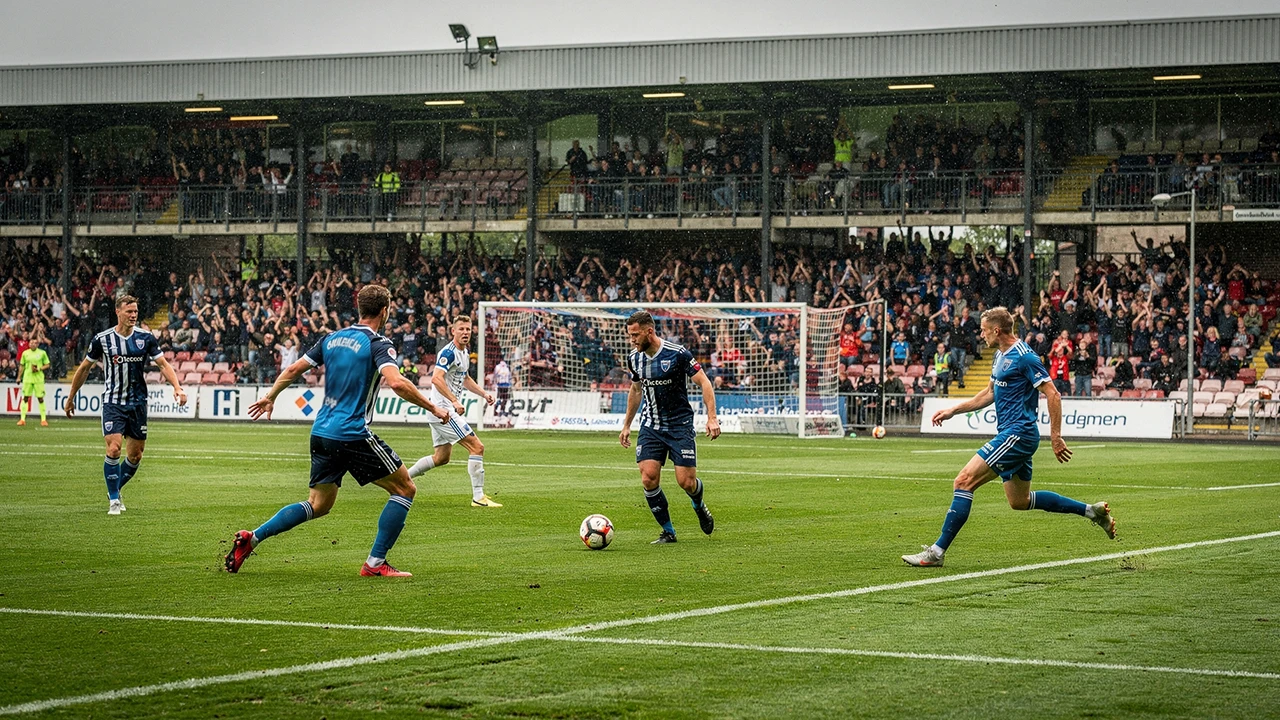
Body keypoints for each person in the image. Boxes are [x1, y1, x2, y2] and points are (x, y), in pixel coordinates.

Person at [223, 284, 450, 577]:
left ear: (359, 308)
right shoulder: (378, 343)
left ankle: (251, 538)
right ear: (385, 310)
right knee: (405, 488)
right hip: (352, 432)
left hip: (321, 432)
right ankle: (375, 563)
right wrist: (434, 408)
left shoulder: (331, 338)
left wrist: (270, 396)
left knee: (318, 504)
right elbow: (396, 382)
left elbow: (292, 370)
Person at [902, 307, 1116, 568]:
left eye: (983, 330)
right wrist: (952, 410)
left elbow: (1053, 394)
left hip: (1018, 433)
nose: (981, 335)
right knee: (1020, 501)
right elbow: (989, 394)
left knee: (964, 481)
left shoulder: (1025, 357)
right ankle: (1091, 512)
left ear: (996, 329)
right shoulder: (999, 356)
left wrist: (1056, 437)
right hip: (1012, 434)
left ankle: (936, 552)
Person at [64, 294, 188, 515]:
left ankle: (115, 487)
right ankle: (113, 500)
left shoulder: (146, 338)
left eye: (136, 312)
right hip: (113, 402)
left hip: (138, 403)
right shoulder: (102, 339)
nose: (133, 315)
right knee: (114, 448)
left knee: (135, 456)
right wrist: (71, 397)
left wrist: (177, 387)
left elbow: (163, 364)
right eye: (129, 311)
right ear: (117, 312)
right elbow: (83, 369)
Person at [619, 310, 719, 544]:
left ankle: (698, 503)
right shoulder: (634, 358)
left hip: (679, 425)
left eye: (635, 335)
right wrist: (626, 425)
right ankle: (668, 531)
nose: (632, 340)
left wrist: (712, 417)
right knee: (648, 478)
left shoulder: (678, 354)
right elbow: (635, 390)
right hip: (651, 425)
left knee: (686, 482)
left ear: (649, 331)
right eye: (630, 336)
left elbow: (704, 381)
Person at [406, 315, 501, 507]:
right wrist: (454, 401)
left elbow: (465, 379)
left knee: (441, 458)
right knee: (477, 447)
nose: (465, 332)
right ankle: (478, 496)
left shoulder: (464, 353)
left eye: (468, 329)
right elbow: (436, 378)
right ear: (453, 331)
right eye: (462, 329)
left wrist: (483, 394)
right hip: (443, 411)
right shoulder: (448, 353)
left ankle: (402, 479)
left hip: (442, 411)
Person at [16, 334, 51, 427]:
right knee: (25, 398)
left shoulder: (42, 353)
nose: (33, 344)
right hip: (27, 378)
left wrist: (39, 368)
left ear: (37, 344)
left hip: (38, 379)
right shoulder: (25, 353)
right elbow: (22, 365)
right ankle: (22, 419)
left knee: (40, 398)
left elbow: (47, 364)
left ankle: (43, 420)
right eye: (31, 342)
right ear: (29, 343)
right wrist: (19, 377)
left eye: (35, 343)